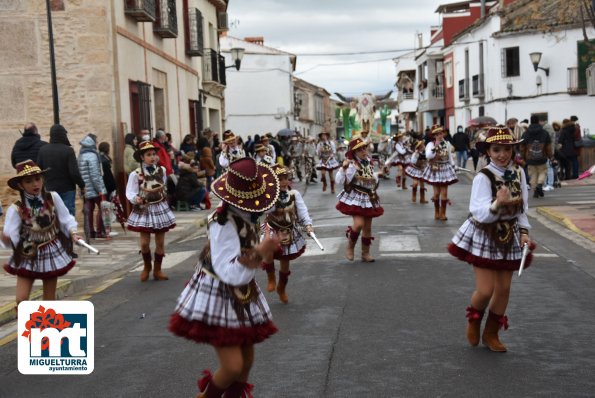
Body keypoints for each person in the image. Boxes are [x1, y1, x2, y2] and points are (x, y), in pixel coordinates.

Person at [169, 158, 280, 398]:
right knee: (232, 366)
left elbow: (268, 215)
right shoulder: (223, 224)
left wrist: (270, 239)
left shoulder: (248, 214)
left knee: (247, 360)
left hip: (240, 291)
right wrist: (260, 251)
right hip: (219, 292)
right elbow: (228, 272)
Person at [448, 125, 534, 352]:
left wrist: (525, 232)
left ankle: (491, 333)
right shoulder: (483, 177)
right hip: (485, 234)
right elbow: (479, 213)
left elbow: (523, 208)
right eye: (497, 150)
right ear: (488, 151)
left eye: (507, 149)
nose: (502, 154)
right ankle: (474, 319)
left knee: (504, 289)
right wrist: (498, 203)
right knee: (486, 290)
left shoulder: (519, 172)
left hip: (510, 235)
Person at [2, 160, 80, 304]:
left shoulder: (52, 197)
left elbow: (66, 218)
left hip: (50, 251)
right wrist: (6, 238)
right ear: (21, 185)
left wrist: (73, 232)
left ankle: (46, 326)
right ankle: (28, 324)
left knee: (49, 300)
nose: (35, 184)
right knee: (21, 299)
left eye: (38, 179)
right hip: (27, 253)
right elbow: (10, 233)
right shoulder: (16, 208)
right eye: (29, 181)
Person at [261, 164, 314, 303]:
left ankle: (281, 288)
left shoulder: (294, 194)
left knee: (285, 263)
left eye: (286, 178)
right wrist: (272, 195)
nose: (284, 181)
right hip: (272, 228)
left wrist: (308, 225)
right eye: (280, 179)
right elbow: (266, 211)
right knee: (268, 250)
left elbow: (302, 211)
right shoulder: (269, 196)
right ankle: (271, 277)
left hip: (288, 230)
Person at [126, 141, 176, 282]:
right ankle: (147, 266)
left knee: (160, 242)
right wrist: (136, 199)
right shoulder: (135, 174)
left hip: (159, 208)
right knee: (144, 243)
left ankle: (158, 270)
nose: (152, 157)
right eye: (149, 155)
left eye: (154, 154)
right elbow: (130, 192)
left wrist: (163, 194)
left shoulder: (162, 170)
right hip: (145, 209)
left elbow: (164, 185)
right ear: (142, 157)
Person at [336, 137, 384, 262]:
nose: (363, 151)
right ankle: (350, 247)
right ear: (354, 152)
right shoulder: (351, 164)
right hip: (356, 197)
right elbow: (339, 181)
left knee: (367, 228)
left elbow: (372, 179)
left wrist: (378, 175)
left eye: (364, 148)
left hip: (369, 196)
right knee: (358, 225)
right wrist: (344, 168)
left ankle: (365, 253)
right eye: (360, 150)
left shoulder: (368, 161)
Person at [37, 124, 85, 216]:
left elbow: (38, 170)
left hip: (49, 188)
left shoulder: (43, 150)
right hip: (67, 189)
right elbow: (74, 173)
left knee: (51, 216)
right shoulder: (68, 150)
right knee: (67, 217)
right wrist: (82, 185)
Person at [422, 125, 458, 221]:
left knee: (444, 194)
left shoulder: (447, 143)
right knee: (437, 194)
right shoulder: (431, 144)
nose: (439, 135)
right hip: (435, 168)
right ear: (434, 136)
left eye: (441, 133)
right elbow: (428, 156)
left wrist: (453, 166)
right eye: (437, 134)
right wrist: (436, 147)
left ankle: (443, 214)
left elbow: (450, 156)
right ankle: (436, 212)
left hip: (445, 168)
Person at [79, 134, 108, 239]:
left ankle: (90, 231)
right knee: (102, 208)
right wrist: (100, 189)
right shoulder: (92, 155)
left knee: (89, 210)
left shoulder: (81, 154)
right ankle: (100, 231)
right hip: (94, 188)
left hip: (86, 188)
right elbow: (94, 174)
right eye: (95, 142)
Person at [520, 115, 552, 198]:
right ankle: (540, 184)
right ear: (538, 121)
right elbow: (548, 147)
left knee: (533, 175)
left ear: (530, 121)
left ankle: (535, 191)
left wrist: (523, 157)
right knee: (543, 172)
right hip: (542, 157)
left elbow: (522, 147)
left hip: (530, 158)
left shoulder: (526, 133)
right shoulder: (544, 133)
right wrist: (551, 156)